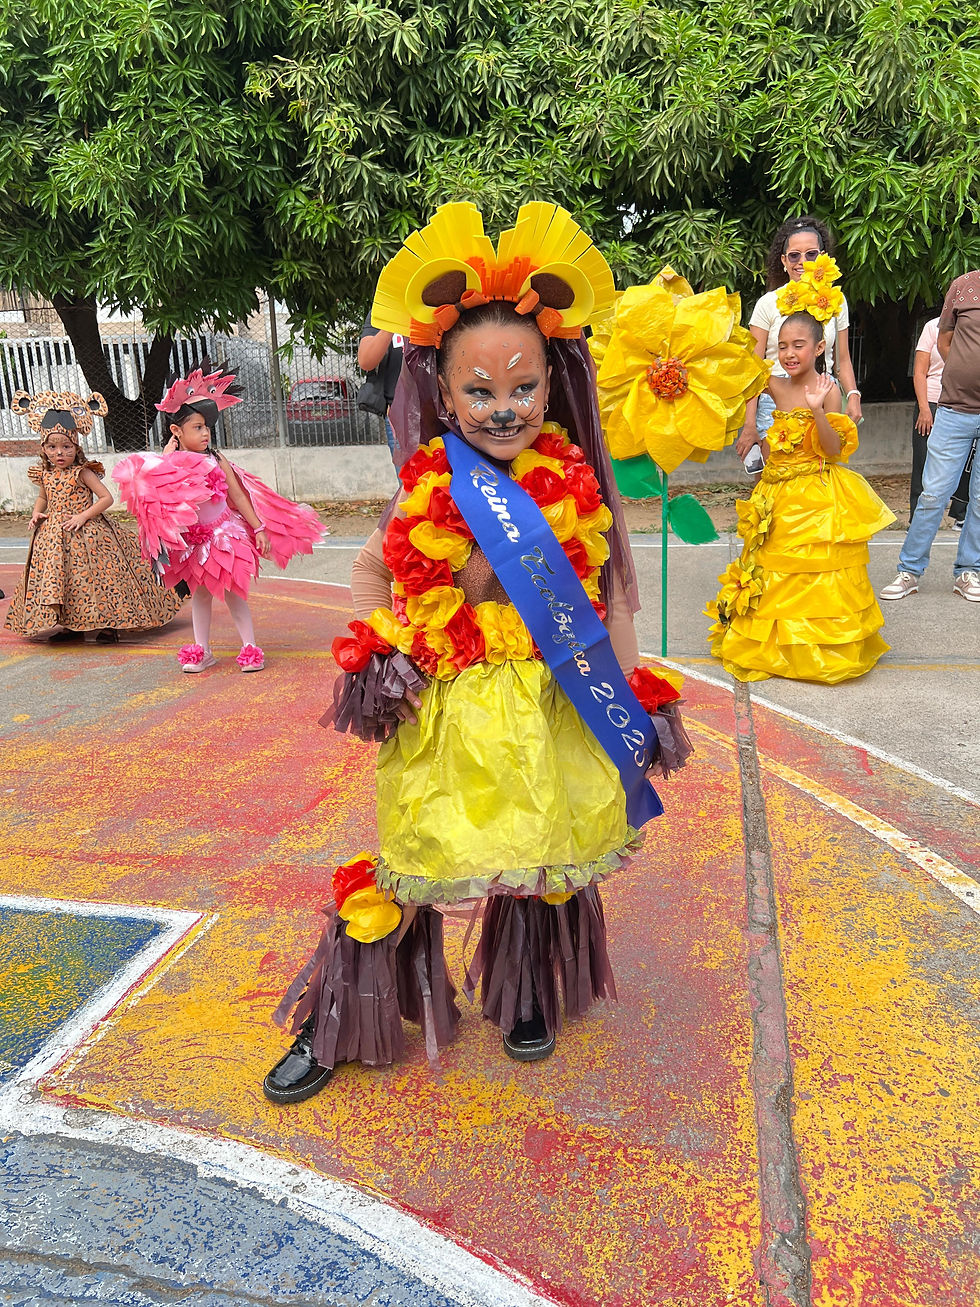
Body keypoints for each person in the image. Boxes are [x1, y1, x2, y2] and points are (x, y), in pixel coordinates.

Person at [263, 202, 692, 1103]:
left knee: (542, 857)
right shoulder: (428, 484)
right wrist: (385, 659)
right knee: (415, 860)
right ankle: (345, 1012)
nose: (505, 408)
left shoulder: (574, 485)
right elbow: (370, 575)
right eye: (482, 392)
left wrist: (629, 693)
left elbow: (607, 601)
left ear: (552, 381)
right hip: (448, 710)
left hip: (548, 709)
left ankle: (525, 991)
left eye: (523, 387)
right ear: (445, 395)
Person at [708, 311, 894, 683]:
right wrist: (747, 425)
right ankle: (774, 646)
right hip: (775, 493)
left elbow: (833, 451)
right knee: (773, 574)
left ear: (819, 347)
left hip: (816, 495)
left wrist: (816, 411)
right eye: (782, 347)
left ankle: (820, 649)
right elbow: (743, 383)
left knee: (817, 574)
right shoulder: (774, 385)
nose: (789, 353)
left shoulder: (829, 390)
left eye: (798, 345)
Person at [113, 361, 325, 672]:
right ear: (176, 430)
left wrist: (260, 528)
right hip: (194, 544)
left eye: (206, 427)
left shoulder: (215, 458)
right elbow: (150, 491)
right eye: (197, 427)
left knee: (233, 593)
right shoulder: (166, 464)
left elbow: (238, 495)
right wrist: (168, 456)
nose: (205, 433)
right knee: (199, 596)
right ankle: (202, 650)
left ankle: (250, 647)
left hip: (223, 535)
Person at [3, 389, 182, 642]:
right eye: (52, 447)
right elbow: (43, 498)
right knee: (68, 581)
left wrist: (83, 516)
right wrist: (36, 513)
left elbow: (106, 498)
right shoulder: (45, 474)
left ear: (76, 447)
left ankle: (110, 625)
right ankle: (70, 626)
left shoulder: (83, 472)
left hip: (88, 531)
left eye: (66, 447)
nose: (59, 453)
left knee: (101, 578)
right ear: (44, 448)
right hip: (54, 538)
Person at [881, 270, 980, 602]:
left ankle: (968, 571)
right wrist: (963, 372)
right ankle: (909, 571)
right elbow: (944, 339)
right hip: (954, 410)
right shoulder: (964, 286)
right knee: (933, 494)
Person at [738, 216, 862, 464]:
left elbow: (843, 360)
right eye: (794, 255)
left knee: (819, 473)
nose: (802, 262)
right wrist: (749, 424)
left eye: (811, 254)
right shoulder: (768, 304)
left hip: (822, 394)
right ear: (784, 261)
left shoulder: (836, 301)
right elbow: (753, 369)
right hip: (772, 399)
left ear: (823, 257)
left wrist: (854, 395)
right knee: (773, 478)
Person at [910, 314, 973, 531]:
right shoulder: (932, 326)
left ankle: (961, 514)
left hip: (966, 404)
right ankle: (917, 521)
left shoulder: (974, 326)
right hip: (932, 402)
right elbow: (919, 372)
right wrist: (925, 409)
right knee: (923, 461)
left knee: (967, 463)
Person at [357, 319, 404, 459]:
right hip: (399, 417)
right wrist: (392, 319)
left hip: (440, 415)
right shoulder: (383, 308)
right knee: (408, 479)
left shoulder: (436, 302)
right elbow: (366, 361)